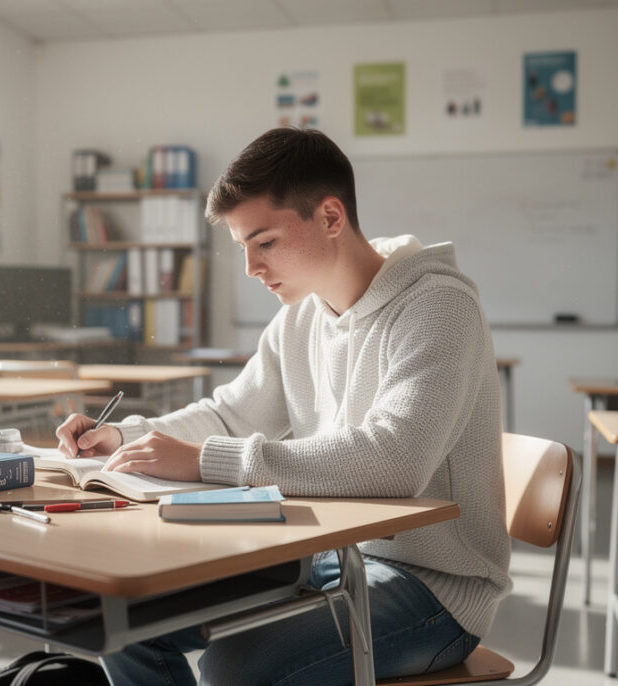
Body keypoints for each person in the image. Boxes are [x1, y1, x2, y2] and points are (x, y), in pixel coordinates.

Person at [56, 127, 510, 686]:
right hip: (326, 552)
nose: (251, 266)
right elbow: (231, 414)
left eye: (265, 242)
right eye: (242, 247)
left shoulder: (439, 306)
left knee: (233, 669)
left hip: (431, 585)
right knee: (123, 620)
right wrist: (128, 437)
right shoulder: (302, 315)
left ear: (330, 217)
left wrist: (204, 461)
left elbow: (396, 460)